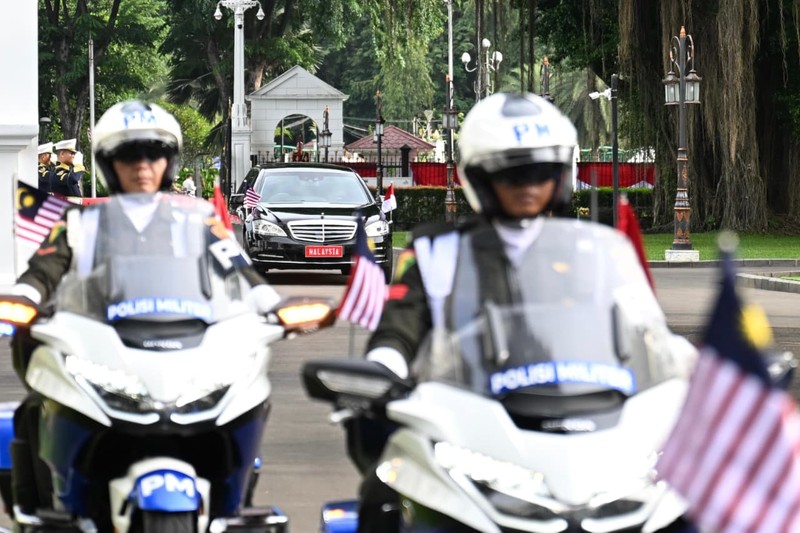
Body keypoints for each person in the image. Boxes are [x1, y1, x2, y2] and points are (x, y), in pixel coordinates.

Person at [349, 92, 675, 531]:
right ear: (480, 178)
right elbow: (401, 324)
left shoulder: (592, 251)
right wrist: (385, 364)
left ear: (560, 174)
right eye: (512, 173)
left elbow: (641, 325)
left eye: (541, 172)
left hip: (589, 412)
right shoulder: (436, 251)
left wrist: (681, 364)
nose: (528, 185)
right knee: (388, 489)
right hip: (473, 420)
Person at [7, 99, 279, 515]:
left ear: (168, 162)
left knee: (243, 398)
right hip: (102, 345)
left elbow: (239, 269)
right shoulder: (79, 223)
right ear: (108, 163)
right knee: (37, 403)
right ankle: (40, 513)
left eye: (154, 154)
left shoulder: (200, 221)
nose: (142, 165)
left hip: (187, 343)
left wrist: (274, 305)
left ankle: (234, 500)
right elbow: (44, 271)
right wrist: (23, 298)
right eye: (128, 155)